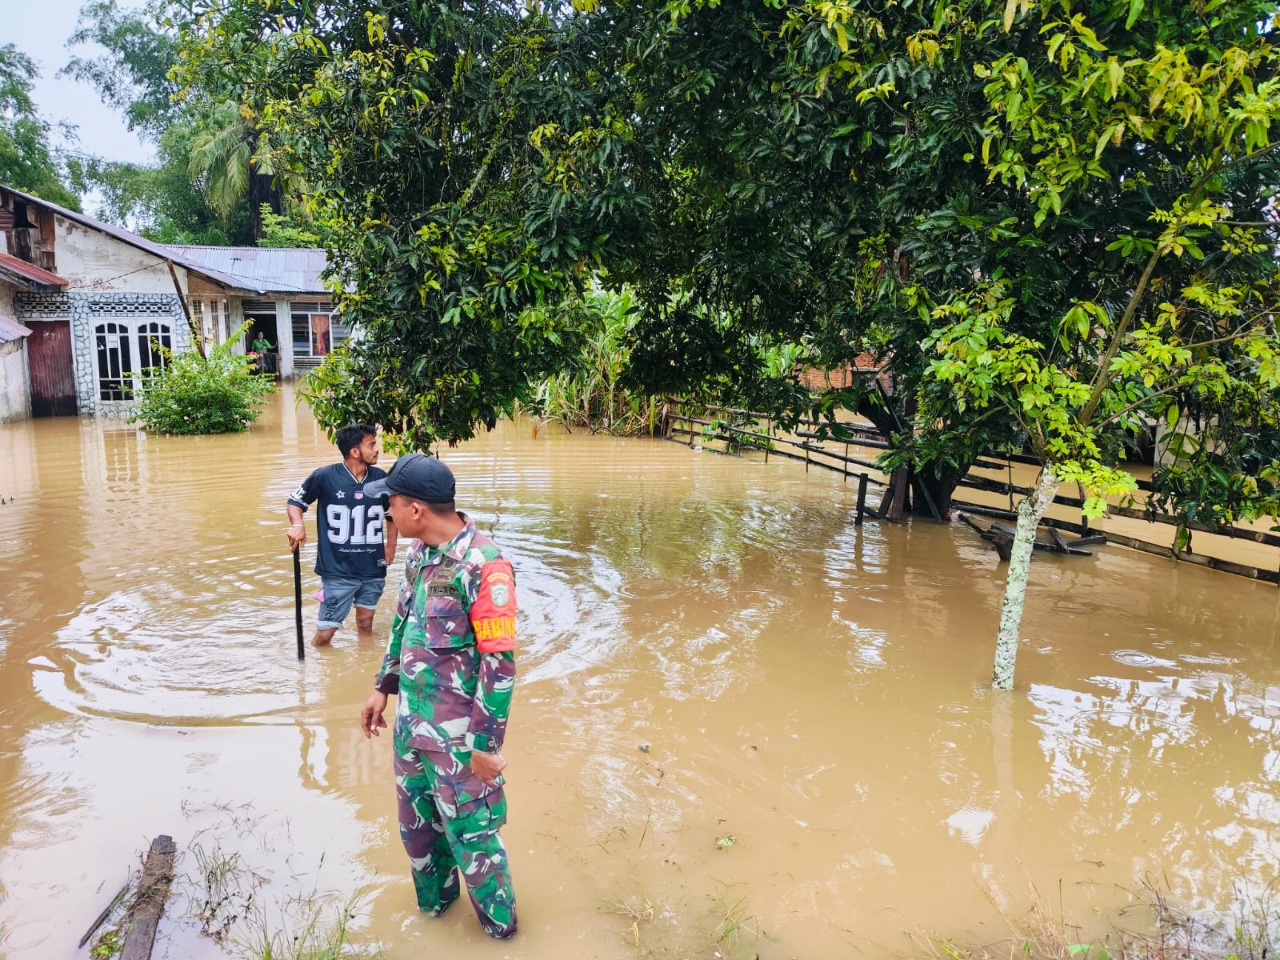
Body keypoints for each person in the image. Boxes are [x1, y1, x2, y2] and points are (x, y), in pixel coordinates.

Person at [359, 453, 518, 940]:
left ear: (415, 510)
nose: (386, 512)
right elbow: (403, 627)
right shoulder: (419, 556)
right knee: (419, 838)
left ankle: (502, 936)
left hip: (458, 746)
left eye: (390, 504)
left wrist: (486, 747)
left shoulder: (485, 567)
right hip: (411, 731)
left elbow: (500, 666)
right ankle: (435, 925)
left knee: (475, 846)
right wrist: (382, 687)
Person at [287, 424, 398, 646]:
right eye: (371, 445)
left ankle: (364, 656)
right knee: (326, 633)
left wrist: (390, 547)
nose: (377, 449)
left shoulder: (381, 479)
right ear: (355, 451)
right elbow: (294, 502)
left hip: (372, 567)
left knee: (366, 623)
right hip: (337, 570)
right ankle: (318, 666)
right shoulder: (324, 477)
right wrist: (298, 524)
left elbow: (392, 515)